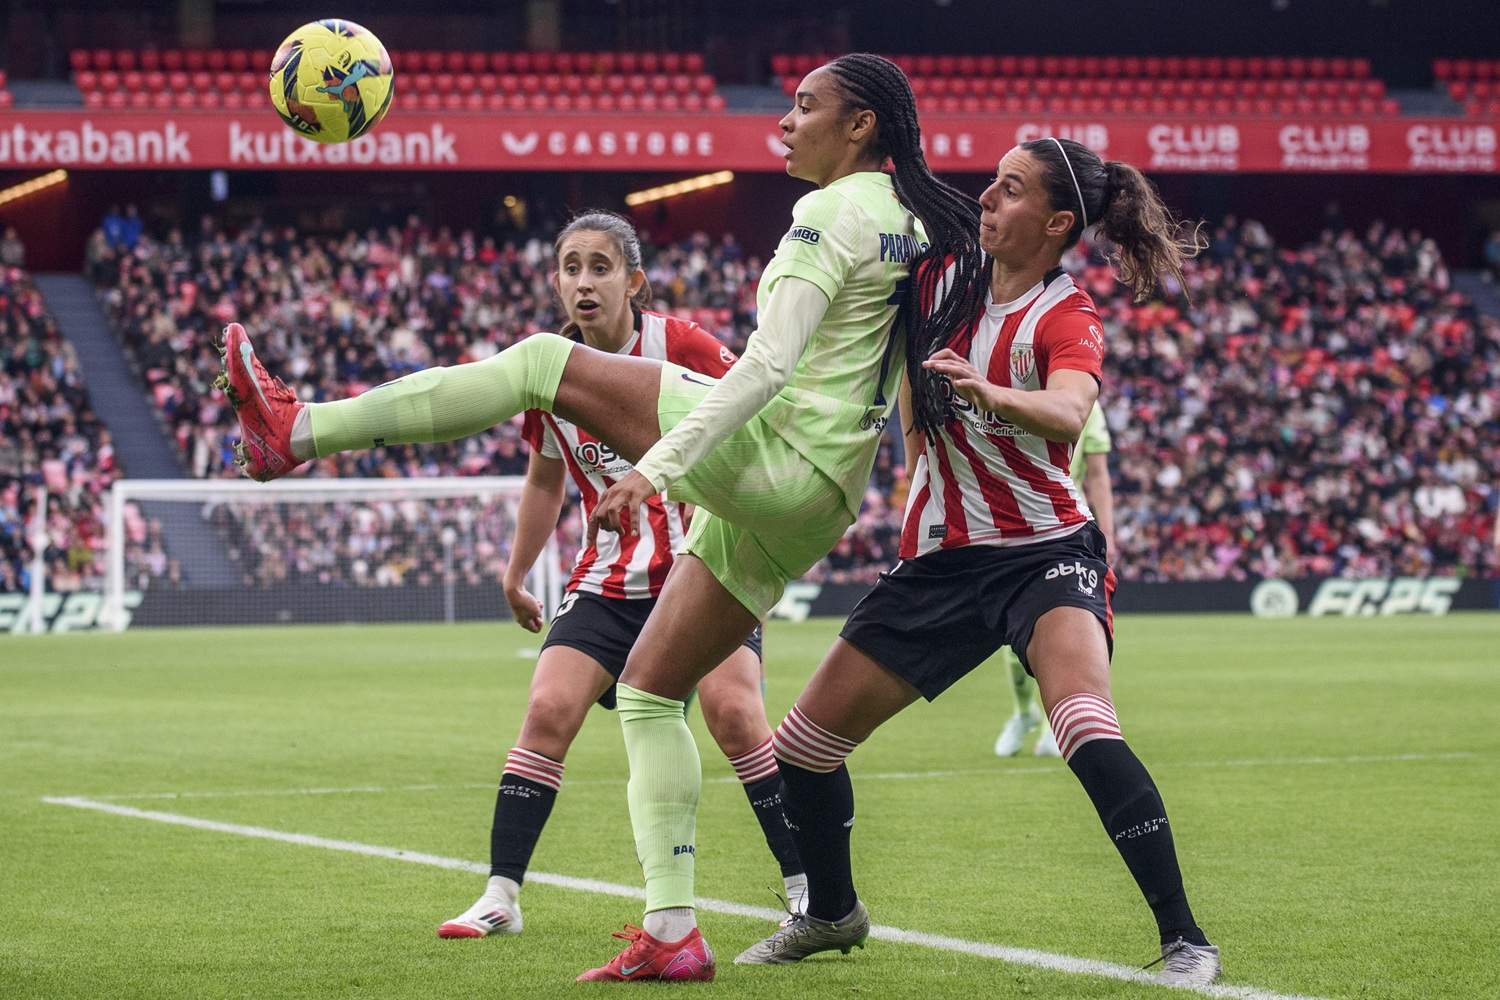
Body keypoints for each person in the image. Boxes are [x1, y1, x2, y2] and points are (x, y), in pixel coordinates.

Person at [220, 53, 976, 982]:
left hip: (782, 460)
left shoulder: (828, 212)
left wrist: (656, 470)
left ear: (859, 125)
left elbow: (766, 369)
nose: (785, 122)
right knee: (651, 691)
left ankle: (297, 431)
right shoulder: (913, 222)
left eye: (805, 106)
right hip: (820, 495)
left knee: (542, 361)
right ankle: (672, 931)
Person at [736, 136, 1222, 988]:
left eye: (1010, 189)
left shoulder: (1065, 314)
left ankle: (1187, 940)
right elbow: (905, 380)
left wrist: (993, 394)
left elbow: (1071, 413)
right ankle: (832, 914)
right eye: (990, 185)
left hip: (1045, 552)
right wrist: (918, 457)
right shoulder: (936, 283)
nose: (987, 199)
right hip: (940, 563)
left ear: (1058, 221)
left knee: (1083, 725)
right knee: (803, 750)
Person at [434, 211, 803, 940]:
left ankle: (804, 884)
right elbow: (544, 480)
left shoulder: (683, 347)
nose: (584, 282)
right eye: (570, 268)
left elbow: (756, 420)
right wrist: (517, 572)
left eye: (600, 267)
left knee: (735, 714)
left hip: (705, 567)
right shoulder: (548, 370)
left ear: (633, 280)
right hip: (607, 580)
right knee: (546, 713)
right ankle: (501, 895)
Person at [994, 400, 1114, 757]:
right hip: (1010, 529)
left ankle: (1054, 721)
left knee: (1066, 629)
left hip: (1065, 530)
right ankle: (1023, 713)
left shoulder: (1084, 404)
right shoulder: (1014, 392)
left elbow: (1098, 473)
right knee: (1011, 642)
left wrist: (1107, 533)